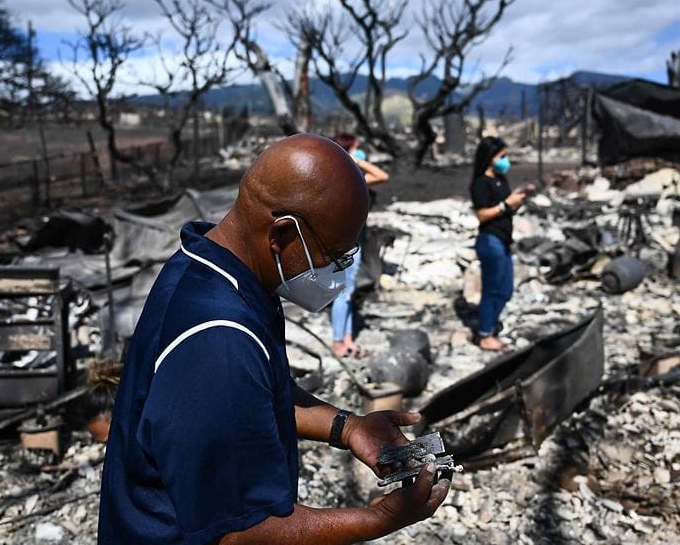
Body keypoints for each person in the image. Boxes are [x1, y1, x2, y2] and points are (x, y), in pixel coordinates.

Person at [98, 134, 449, 544]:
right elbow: (242, 533)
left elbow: (256, 394)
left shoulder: (211, 267)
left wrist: (349, 428)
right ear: (282, 235)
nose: (338, 270)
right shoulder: (219, 338)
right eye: (335, 254)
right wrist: (380, 519)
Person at [469, 136, 534, 352]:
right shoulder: (480, 183)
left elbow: (506, 209)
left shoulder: (500, 179)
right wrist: (506, 205)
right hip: (491, 240)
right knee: (492, 289)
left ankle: (491, 325)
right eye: (502, 156)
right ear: (490, 158)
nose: (506, 161)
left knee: (505, 289)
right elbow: (482, 215)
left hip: (504, 240)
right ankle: (485, 335)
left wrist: (519, 199)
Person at [329, 133, 389, 359]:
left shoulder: (347, 178)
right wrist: (355, 161)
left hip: (354, 241)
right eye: (356, 149)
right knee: (343, 293)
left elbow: (381, 176)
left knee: (349, 292)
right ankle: (338, 342)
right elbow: (382, 175)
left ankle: (347, 339)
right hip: (347, 244)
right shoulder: (345, 180)